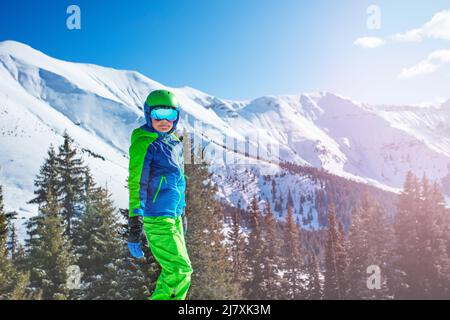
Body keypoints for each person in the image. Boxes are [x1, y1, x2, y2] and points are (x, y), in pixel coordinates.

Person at [127, 89, 192, 300]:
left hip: (173, 217)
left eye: (170, 115)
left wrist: (181, 211)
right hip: (157, 217)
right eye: (158, 114)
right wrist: (135, 221)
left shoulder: (174, 143)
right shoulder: (145, 143)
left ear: (177, 117)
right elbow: (137, 181)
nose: (164, 120)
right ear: (148, 115)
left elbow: (179, 181)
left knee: (180, 271)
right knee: (179, 270)